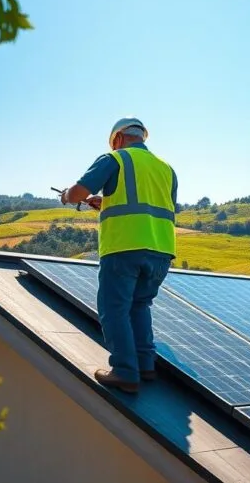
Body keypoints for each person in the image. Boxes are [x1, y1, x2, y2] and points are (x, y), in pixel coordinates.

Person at [59, 117, 178, 394]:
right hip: (160, 250)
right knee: (140, 305)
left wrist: (66, 196)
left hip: (124, 247)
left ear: (118, 139)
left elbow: (78, 192)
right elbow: (150, 206)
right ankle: (145, 365)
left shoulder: (115, 159)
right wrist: (106, 203)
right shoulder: (167, 169)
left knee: (114, 308)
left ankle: (124, 371)